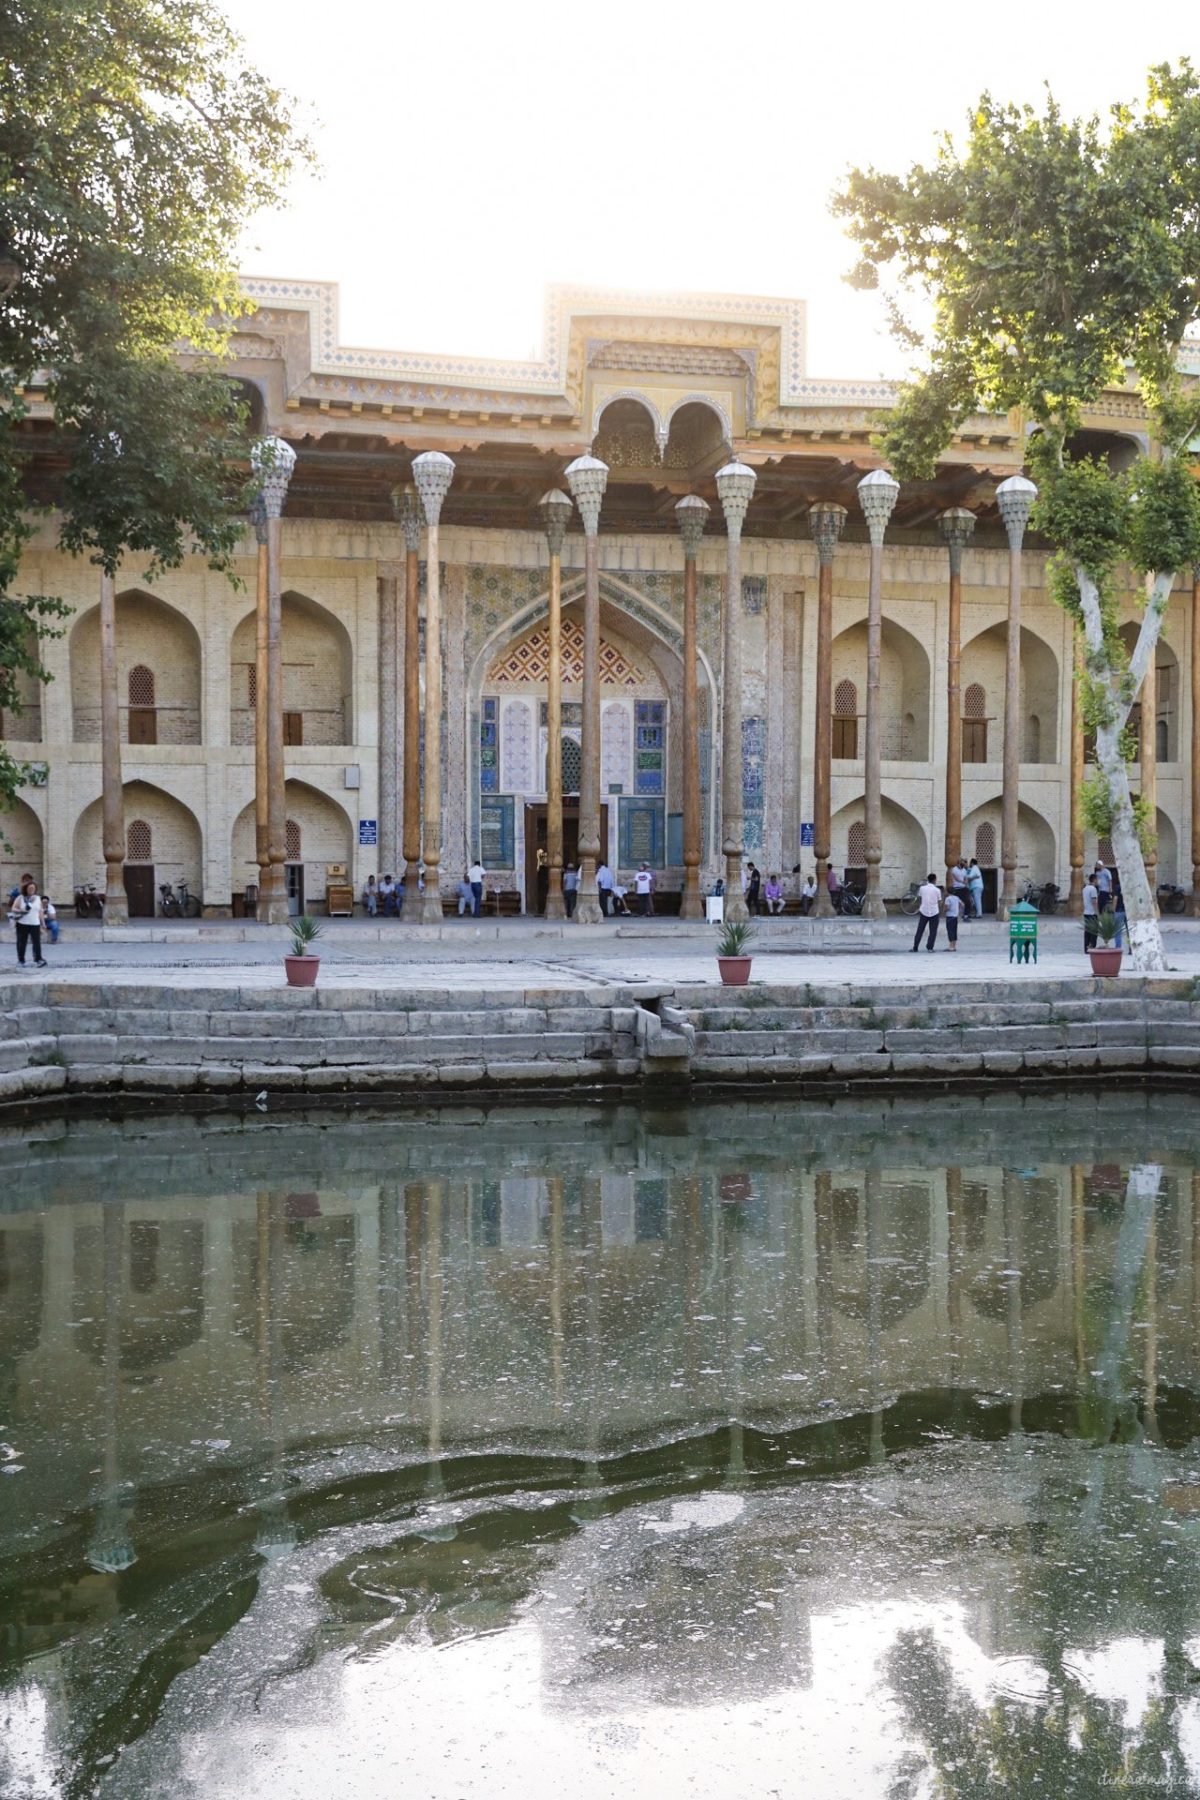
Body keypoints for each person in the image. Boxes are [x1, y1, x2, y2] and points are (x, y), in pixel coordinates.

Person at [9, 879, 48, 967]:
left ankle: (38, 959)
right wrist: (21, 910)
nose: (31, 890)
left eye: (33, 889)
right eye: (30, 888)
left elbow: (40, 912)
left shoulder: (38, 898)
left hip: (35, 924)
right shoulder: (20, 898)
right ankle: (21, 960)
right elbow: (13, 908)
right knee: (21, 943)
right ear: (26, 889)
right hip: (22, 923)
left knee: (36, 942)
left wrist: (43, 924)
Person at [911, 872, 943, 952]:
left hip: (923, 911)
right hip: (934, 912)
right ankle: (930, 947)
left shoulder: (922, 888)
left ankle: (915, 947)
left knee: (920, 930)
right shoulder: (937, 890)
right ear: (935, 880)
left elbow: (919, 898)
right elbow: (939, 901)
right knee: (933, 931)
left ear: (928, 879)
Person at [1082, 872, 1100, 952]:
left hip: (1086, 912)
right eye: (1097, 879)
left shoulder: (1085, 888)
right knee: (1093, 932)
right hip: (1092, 913)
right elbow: (1094, 902)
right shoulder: (1093, 889)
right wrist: (1097, 913)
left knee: (1087, 932)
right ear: (1094, 880)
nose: (1098, 881)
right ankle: (1092, 947)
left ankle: (1086, 948)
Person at [943, 886, 963, 951]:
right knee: (954, 931)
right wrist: (957, 909)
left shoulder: (948, 899)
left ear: (948, 892)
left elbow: (947, 907)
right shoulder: (956, 898)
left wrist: (944, 910)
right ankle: (954, 946)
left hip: (950, 917)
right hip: (955, 917)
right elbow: (962, 904)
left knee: (950, 931)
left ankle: (951, 947)